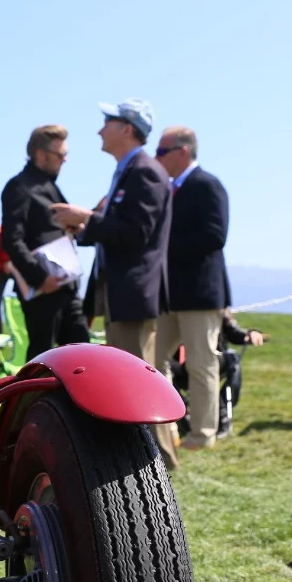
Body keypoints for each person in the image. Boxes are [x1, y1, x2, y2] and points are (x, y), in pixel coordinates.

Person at [50, 98, 177, 467]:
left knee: (137, 382)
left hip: (134, 292)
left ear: (127, 128)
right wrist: (85, 226)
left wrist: (86, 218)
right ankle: (153, 460)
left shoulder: (145, 171)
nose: (100, 130)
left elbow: (137, 233)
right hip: (121, 293)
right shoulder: (131, 170)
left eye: (108, 121)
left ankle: (155, 462)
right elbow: (120, 229)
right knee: (132, 378)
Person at [153, 126, 231, 451]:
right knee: (153, 360)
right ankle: (164, 429)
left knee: (200, 364)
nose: (156, 158)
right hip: (168, 295)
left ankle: (202, 434)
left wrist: (163, 244)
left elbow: (215, 235)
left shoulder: (207, 185)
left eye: (162, 152)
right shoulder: (168, 189)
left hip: (199, 294)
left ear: (182, 151)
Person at [0, 124, 90, 356]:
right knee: (43, 357)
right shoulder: (20, 187)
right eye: (60, 155)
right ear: (41, 155)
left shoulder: (49, 186)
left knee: (83, 354)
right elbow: (11, 239)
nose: (65, 160)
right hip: (43, 292)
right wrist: (40, 278)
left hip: (67, 288)